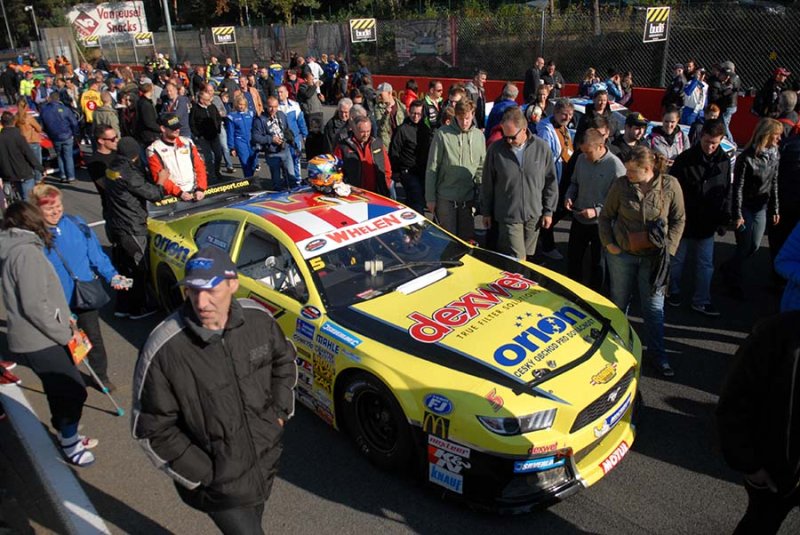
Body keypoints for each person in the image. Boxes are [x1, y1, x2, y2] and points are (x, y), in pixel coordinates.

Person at [132, 246, 297, 535]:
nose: (201, 301)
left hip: (263, 462)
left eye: (212, 289)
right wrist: (206, 474)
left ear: (233, 284)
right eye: (193, 291)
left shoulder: (258, 320)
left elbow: (284, 362)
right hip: (217, 485)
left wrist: (278, 416)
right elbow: (151, 428)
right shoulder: (164, 348)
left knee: (254, 520)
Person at [0, 202, 96, 466]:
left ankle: (68, 433)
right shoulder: (26, 253)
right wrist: (65, 333)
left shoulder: (16, 249)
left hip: (36, 336)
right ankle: (69, 441)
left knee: (60, 390)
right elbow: (34, 305)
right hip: (41, 338)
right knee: (73, 390)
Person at [31, 184, 128, 392]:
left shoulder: (77, 224)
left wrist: (112, 275)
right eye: (49, 209)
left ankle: (100, 376)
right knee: (63, 343)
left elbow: (96, 256)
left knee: (93, 339)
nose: (56, 211)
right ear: (37, 210)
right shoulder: (33, 238)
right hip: (56, 302)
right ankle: (70, 378)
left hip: (84, 294)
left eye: (58, 206)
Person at [599, 146, 686, 377]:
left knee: (654, 309)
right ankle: (616, 352)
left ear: (647, 169)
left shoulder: (670, 186)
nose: (627, 174)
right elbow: (606, 216)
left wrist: (670, 250)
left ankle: (658, 356)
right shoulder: (621, 186)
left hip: (654, 260)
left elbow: (679, 219)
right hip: (623, 256)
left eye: (632, 171)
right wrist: (609, 245)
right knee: (619, 303)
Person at [717, 311, 800, 534]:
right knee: (759, 524)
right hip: (773, 473)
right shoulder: (778, 333)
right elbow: (734, 400)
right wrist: (749, 464)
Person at [666, 120, 731, 316]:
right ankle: (673, 291)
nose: (710, 147)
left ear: (721, 140)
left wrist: (724, 218)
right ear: (700, 137)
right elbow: (671, 191)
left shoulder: (724, 162)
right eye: (707, 142)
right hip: (684, 221)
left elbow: (727, 190)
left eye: (714, 143)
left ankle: (702, 300)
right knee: (677, 262)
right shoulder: (685, 159)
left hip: (708, 222)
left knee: (705, 265)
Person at [481, 106, 557, 260]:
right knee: (517, 258)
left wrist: (548, 211)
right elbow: (487, 182)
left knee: (528, 258)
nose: (508, 141)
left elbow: (550, 181)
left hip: (533, 215)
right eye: (505, 136)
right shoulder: (496, 150)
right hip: (508, 215)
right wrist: (486, 211)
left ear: (524, 129)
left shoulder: (542, 148)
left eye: (512, 137)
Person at [105, 137, 168, 319]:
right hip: (132, 226)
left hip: (116, 224)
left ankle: (122, 304)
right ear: (134, 154)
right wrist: (162, 180)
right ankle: (138, 308)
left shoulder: (112, 168)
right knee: (139, 268)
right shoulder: (128, 173)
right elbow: (154, 194)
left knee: (124, 268)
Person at [721, 118, 783, 298]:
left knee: (755, 246)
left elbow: (774, 183)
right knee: (744, 245)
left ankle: (729, 267)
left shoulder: (775, 154)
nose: (779, 139)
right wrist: (737, 213)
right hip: (746, 206)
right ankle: (734, 282)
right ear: (766, 135)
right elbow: (738, 188)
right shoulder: (746, 157)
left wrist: (775, 208)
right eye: (776, 136)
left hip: (761, 207)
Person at [564, 128, 626, 291]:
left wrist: (597, 211)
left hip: (601, 224)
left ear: (600, 146)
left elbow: (619, 200)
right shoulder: (581, 159)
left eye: (588, 152)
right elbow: (574, 183)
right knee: (574, 258)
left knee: (598, 263)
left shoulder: (615, 166)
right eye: (583, 152)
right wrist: (569, 196)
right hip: (579, 218)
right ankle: (572, 292)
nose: (585, 156)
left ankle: (595, 295)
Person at [425, 100, 485, 241]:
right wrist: (430, 198)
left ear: (473, 115)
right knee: (446, 240)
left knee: (466, 240)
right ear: (455, 116)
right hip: (446, 197)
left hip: (468, 198)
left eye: (467, 118)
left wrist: (482, 195)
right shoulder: (442, 135)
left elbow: (481, 168)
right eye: (460, 118)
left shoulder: (479, 136)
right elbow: (432, 167)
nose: (464, 122)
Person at [536, 98, 575, 259]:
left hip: (564, 175)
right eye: (564, 114)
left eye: (570, 114)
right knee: (551, 211)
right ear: (556, 113)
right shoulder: (547, 130)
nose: (567, 117)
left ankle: (543, 235)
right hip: (552, 177)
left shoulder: (565, 128)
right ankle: (547, 245)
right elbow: (545, 155)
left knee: (561, 209)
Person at [147, 113, 208, 202]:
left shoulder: (188, 142)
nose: (177, 130)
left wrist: (201, 188)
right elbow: (158, 176)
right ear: (163, 129)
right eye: (173, 128)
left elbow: (200, 166)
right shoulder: (154, 149)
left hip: (195, 192)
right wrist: (179, 193)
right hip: (172, 196)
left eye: (178, 127)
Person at [389, 100, 431, 214]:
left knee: (416, 199)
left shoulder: (426, 129)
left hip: (422, 171)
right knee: (416, 198)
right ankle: (418, 226)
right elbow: (394, 151)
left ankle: (409, 224)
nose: (415, 116)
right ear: (409, 112)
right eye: (413, 113)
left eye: (418, 114)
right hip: (407, 171)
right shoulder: (402, 129)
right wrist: (396, 171)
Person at [334, 116, 393, 197]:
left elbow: (386, 167)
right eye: (362, 132)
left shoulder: (377, 144)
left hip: (377, 192)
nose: (366, 135)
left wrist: (386, 183)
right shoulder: (343, 147)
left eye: (368, 131)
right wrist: (346, 187)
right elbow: (336, 171)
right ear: (354, 129)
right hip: (353, 193)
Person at [252, 96, 296, 190]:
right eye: (271, 107)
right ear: (266, 106)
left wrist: (291, 140)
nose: (273, 109)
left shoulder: (281, 115)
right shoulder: (260, 120)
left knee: (291, 176)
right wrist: (271, 139)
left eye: (275, 106)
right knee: (276, 180)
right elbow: (255, 137)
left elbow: (287, 129)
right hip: (272, 152)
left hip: (285, 149)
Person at [0, 111, 42, 201]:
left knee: (19, 199)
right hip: (23, 173)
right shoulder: (18, 136)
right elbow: (29, 154)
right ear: (13, 122)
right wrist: (40, 168)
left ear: (2, 123)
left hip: (8, 175)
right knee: (28, 200)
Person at [39, 92, 78, 184]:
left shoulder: (44, 110)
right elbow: (74, 123)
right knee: (68, 156)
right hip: (67, 135)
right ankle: (71, 176)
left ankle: (63, 176)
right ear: (58, 99)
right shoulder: (65, 109)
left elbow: (42, 125)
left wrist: (49, 134)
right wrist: (75, 134)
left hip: (55, 136)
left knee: (60, 156)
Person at [190, 88, 224, 182]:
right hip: (203, 137)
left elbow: (218, 118)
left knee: (218, 155)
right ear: (201, 100)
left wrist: (218, 129)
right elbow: (192, 123)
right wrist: (198, 134)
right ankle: (212, 175)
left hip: (214, 135)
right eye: (207, 100)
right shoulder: (195, 109)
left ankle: (217, 171)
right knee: (209, 157)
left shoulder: (212, 107)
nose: (210, 101)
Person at [87, 125, 119, 219]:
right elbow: (106, 185)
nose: (116, 140)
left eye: (116, 137)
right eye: (112, 139)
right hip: (112, 209)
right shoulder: (94, 161)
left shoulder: (118, 153)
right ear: (101, 141)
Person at [276, 84, 308, 179]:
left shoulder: (295, 105)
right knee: (284, 161)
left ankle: (298, 180)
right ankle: (287, 181)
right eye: (278, 92)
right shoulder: (275, 107)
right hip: (282, 140)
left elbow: (301, 121)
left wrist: (304, 135)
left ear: (287, 93)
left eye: (281, 92)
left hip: (295, 138)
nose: (279, 94)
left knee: (296, 160)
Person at [226, 95, 258, 179]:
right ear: (236, 104)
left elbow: (256, 128)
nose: (241, 106)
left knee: (254, 162)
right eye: (239, 104)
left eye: (243, 104)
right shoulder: (232, 116)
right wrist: (232, 147)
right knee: (245, 162)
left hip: (251, 141)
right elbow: (230, 132)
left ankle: (251, 177)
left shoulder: (251, 114)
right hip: (240, 141)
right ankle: (249, 181)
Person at [15, 98, 43, 185]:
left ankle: (30, 178)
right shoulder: (29, 117)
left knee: (28, 161)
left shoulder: (16, 118)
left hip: (23, 142)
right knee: (37, 161)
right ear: (26, 106)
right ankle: (38, 179)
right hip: (33, 141)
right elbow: (39, 129)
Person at [373, 82, 406, 150]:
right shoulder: (378, 108)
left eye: (381, 94)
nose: (379, 96)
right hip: (386, 145)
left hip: (400, 144)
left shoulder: (401, 107)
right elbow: (380, 126)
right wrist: (386, 114)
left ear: (389, 93)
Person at [136, 83, 161, 149]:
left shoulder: (143, 101)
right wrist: (160, 128)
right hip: (149, 136)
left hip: (147, 134)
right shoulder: (145, 104)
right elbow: (149, 122)